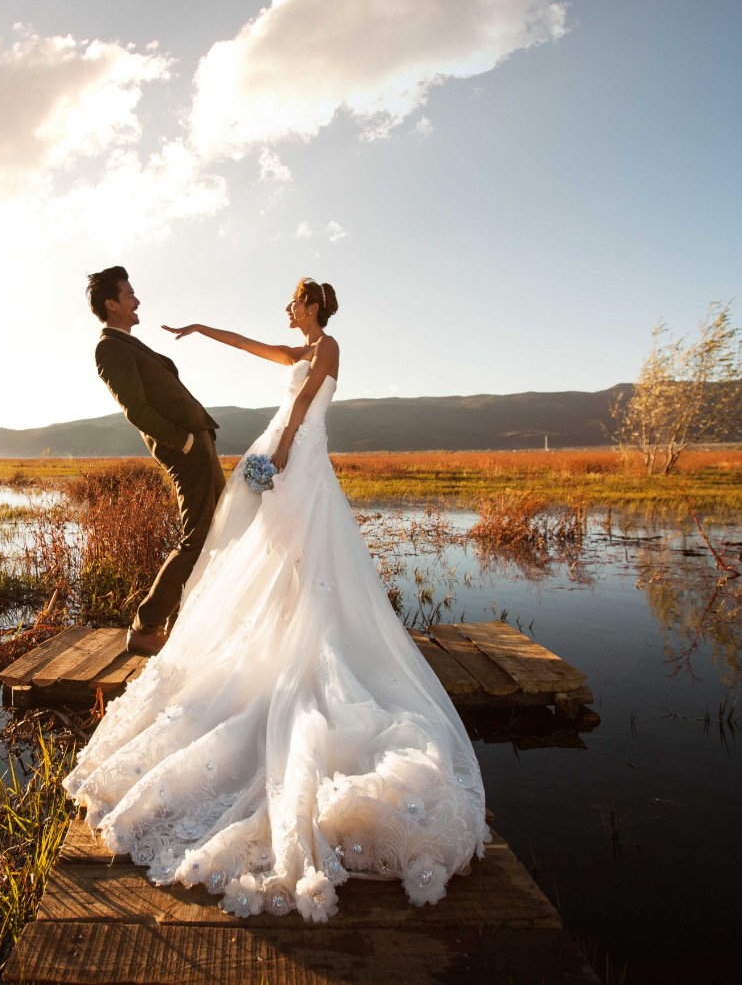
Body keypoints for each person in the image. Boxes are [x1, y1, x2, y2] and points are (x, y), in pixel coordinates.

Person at [64, 278, 487, 922]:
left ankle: (304, 639)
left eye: (293, 305)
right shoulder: (298, 350)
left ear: (312, 307)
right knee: (276, 561)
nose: (287, 313)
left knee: (304, 556)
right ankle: (282, 630)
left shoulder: (327, 348)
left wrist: (280, 458)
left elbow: (299, 408)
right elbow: (253, 346)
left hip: (299, 457)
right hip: (288, 457)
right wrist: (204, 331)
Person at [86, 266, 224, 657]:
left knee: (219, 532)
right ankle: (146, 627)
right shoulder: (109, 348)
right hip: (186, 449)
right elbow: (137, 409)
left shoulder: (130, 343)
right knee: (197, 538)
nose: (137, 300)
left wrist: (199, 437)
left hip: (200, 441)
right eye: (130, 294)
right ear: (112, 304)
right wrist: (182, 442)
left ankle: (187, 622)